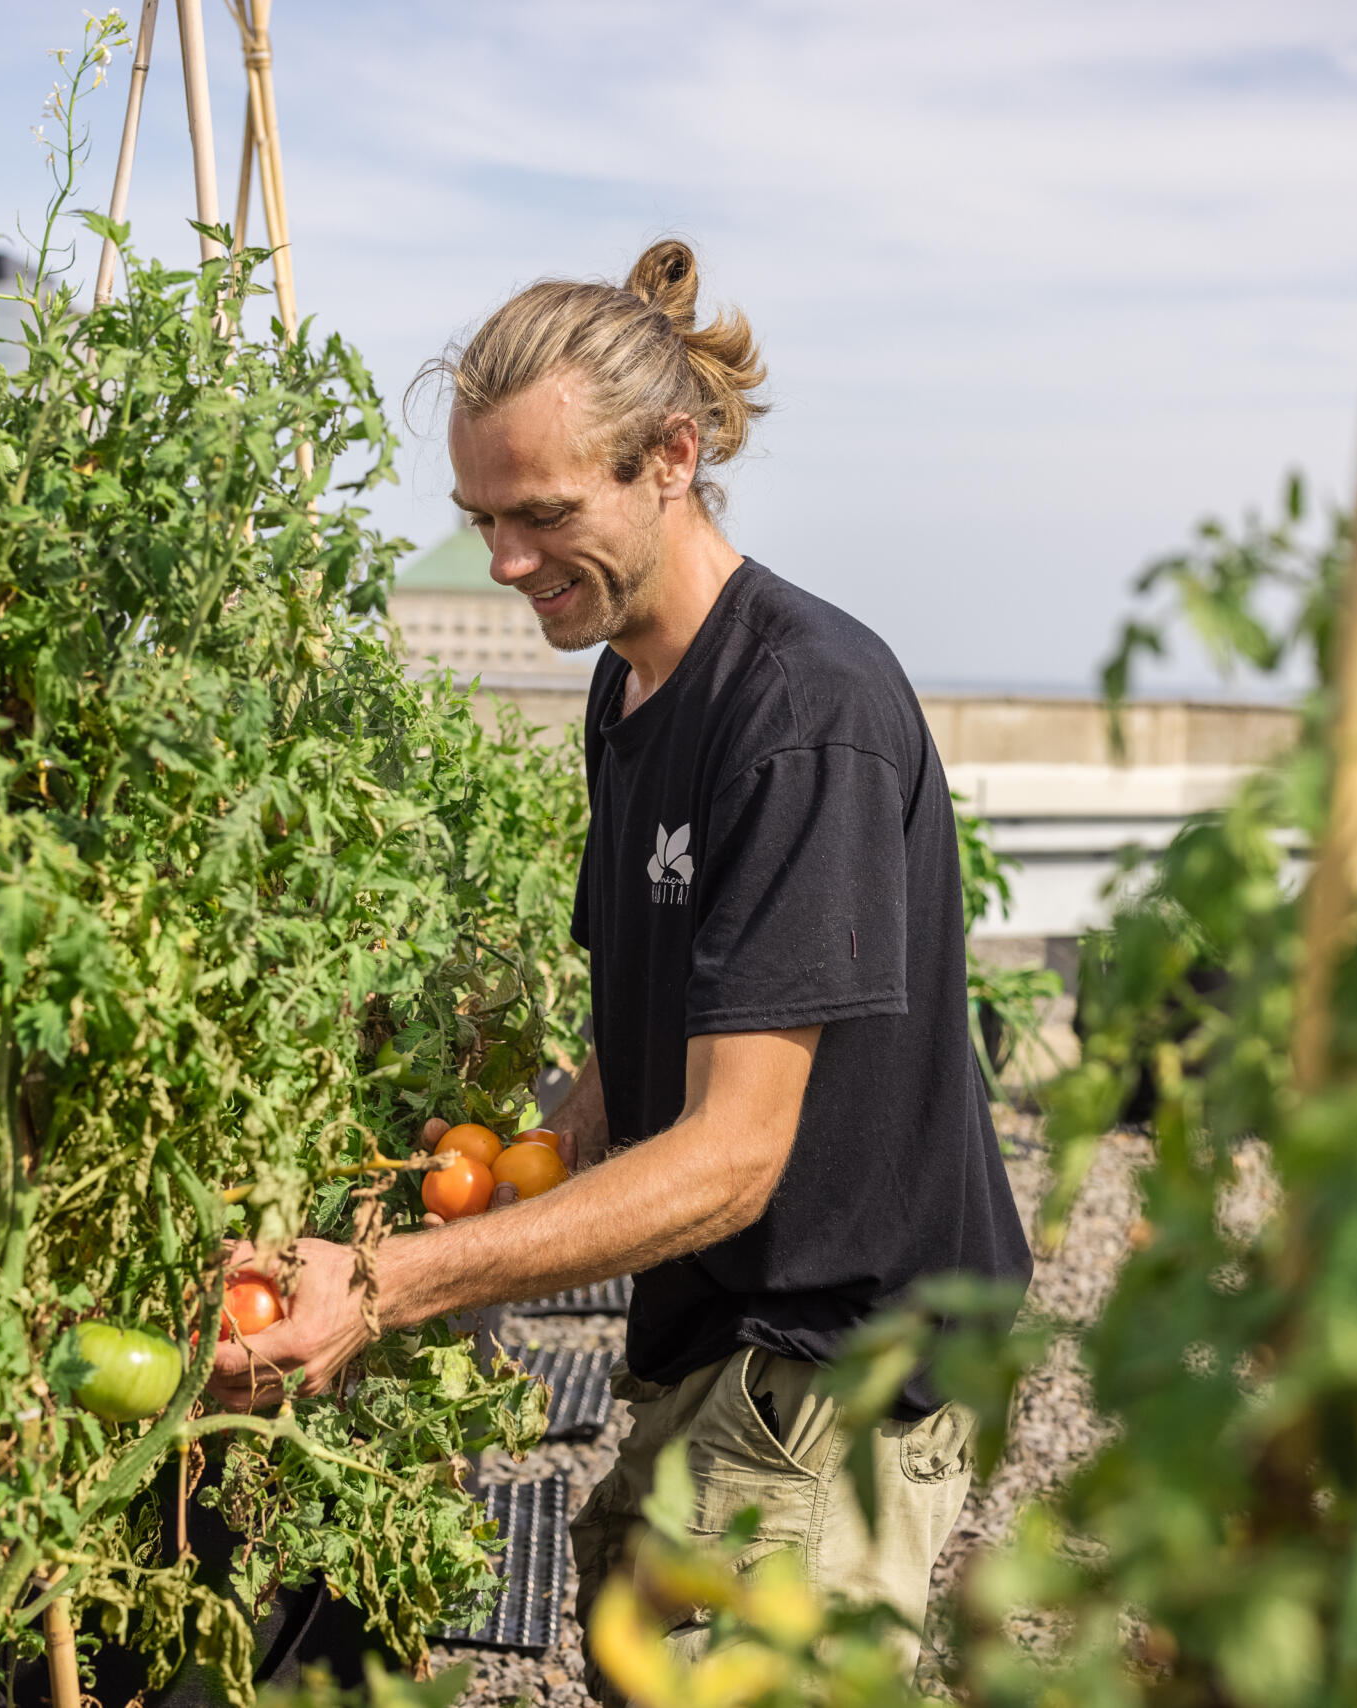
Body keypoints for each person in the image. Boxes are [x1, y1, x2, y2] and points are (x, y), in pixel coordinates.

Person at [206, 239, 1031, 1685]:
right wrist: (510, 1160)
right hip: (723, 1338)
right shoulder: (630, 688)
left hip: (837, 1367)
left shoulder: (801, 715)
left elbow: (730, 1154)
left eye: (539, 515)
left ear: (671, 456)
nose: (506, 560)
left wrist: (400, 1281)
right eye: (482, 519)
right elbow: (649, 1033)